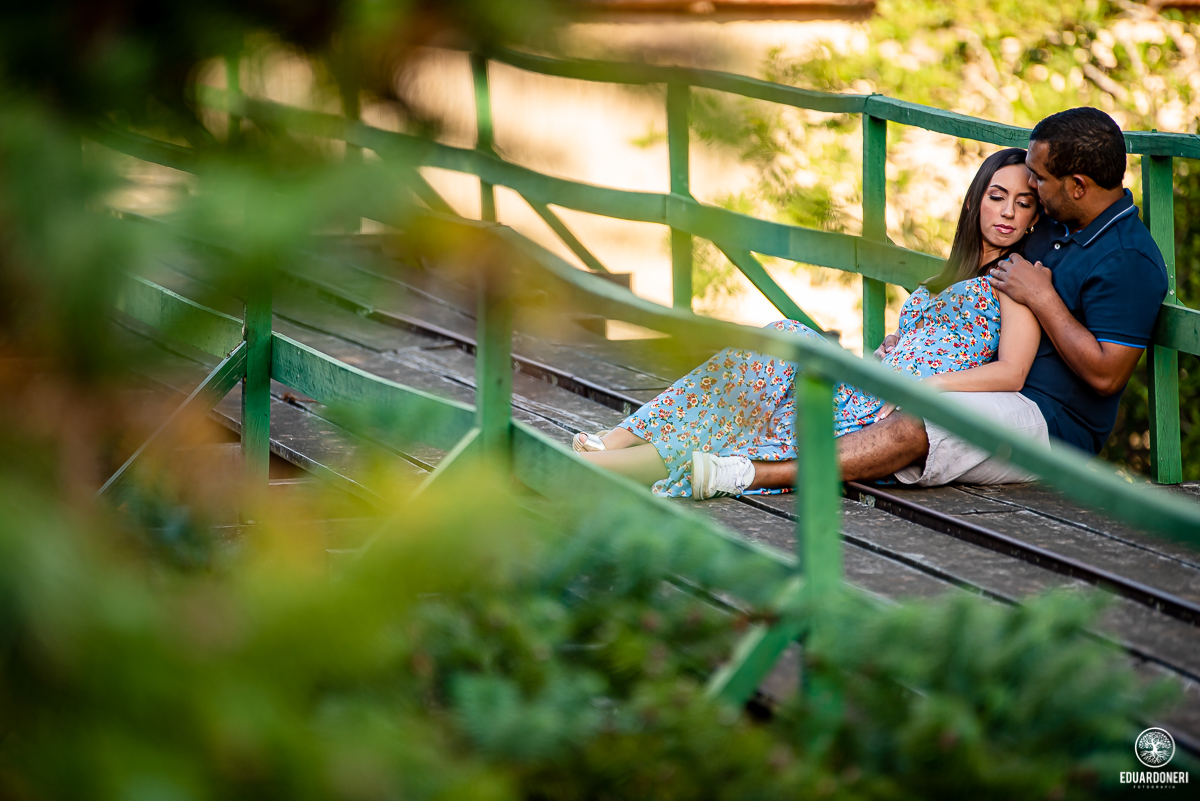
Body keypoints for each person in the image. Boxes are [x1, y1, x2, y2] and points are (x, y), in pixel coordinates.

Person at [574, 148, 1045, 499]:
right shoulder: (942, 281)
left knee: (759, 401)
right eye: (997, 197)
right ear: (972, 204)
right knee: (780, 343)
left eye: (1023, 204)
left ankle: (603, 462)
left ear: (1033, 219)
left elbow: (1011, 373)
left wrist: (923, 390)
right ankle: (613, 447)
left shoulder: (1014, 281)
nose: (1007, 212)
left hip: (893, 407)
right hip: (871, 382)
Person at [751, 107, 1170, 492]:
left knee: (922, 420)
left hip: (1050, 421)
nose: (1031, 189)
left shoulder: (1127, 260)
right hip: (989, 381)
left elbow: (1106, 375)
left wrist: (1043, 298)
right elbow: (979, 288)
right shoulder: (1053, 221)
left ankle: (758, 475)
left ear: (1077, 186)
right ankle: (725, 442)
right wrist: (918, 338)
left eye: (1039, 180)